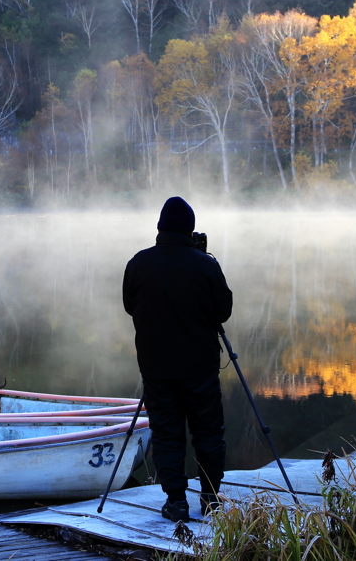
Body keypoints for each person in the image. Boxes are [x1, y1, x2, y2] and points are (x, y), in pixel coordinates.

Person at [122, 196, 233, 523]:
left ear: (160, 228)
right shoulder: (205, 264)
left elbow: (130, 306)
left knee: (167, 434)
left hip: (157, 368)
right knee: (209, 432)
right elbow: (223, 311)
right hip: (200, 367)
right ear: (190, 230)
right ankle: (211, 498)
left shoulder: (139, 263)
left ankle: (176, 502)